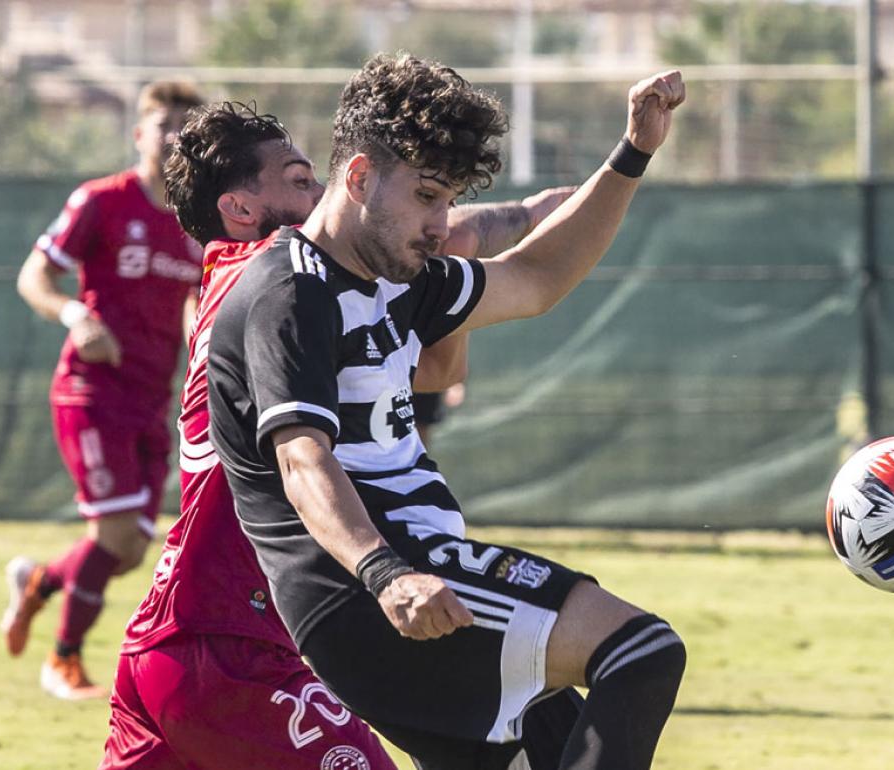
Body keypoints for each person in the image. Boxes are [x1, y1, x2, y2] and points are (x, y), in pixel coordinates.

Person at [204, 53, 687, 770]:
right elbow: (302, 457)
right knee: (641, 651)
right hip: (369, 590)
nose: (441, 223)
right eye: (428, 195)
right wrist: (385, 573)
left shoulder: (400, 280)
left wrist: (635, 150)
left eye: (450, 198)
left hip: (417, 583)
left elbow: (535, 278)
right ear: (360, 176)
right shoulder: (290, 290)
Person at [99, 99, 581, 770]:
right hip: (232, 649)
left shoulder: (250, 286)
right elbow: (443, 238)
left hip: (175, 643)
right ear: (241, 209)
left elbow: (431, 350)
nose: (324, 193)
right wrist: (533, 214)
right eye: (300, 180)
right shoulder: (277, 279)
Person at [2, 80, 205, 700]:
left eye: (185, 128)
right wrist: (75, 316)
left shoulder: (200, 222)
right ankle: (63, 659)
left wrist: (207, 348)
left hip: (151, 399)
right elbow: (34, 274)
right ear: (140, 133)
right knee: (115, 536)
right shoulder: (102, 201)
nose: (174, 137)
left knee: (125, 552)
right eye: (163, 124)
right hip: (90, 393)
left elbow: (197, 302)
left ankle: (37, 583)